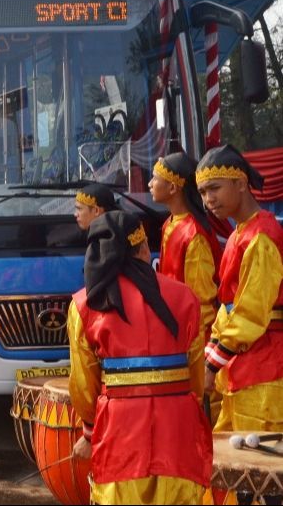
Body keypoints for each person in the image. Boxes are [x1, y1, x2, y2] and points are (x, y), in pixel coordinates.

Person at [67, 212, 211, 504]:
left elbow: (84, 381)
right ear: (144, 248)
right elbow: (196, 374)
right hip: (178, 426)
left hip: (120, 431)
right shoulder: (185, 296)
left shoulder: (85, 305)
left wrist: (89, 431)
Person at [196, 144, 283, 432]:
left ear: (241, 184)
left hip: (266, 369)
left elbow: (250, 312)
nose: (208, 199)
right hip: (242, 366)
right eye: (203, 192)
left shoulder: (262, 236)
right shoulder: (238, 234)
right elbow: (227, 307)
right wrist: (211, 358)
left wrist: (210, 365)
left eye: (214, 188)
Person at [149, 154, 222, 337]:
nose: (150, 184)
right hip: (177, 327)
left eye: (155, 178)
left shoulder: (194, 234)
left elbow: (201, 300)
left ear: (173, 187)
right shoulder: (170, 223)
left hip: (194, 336)